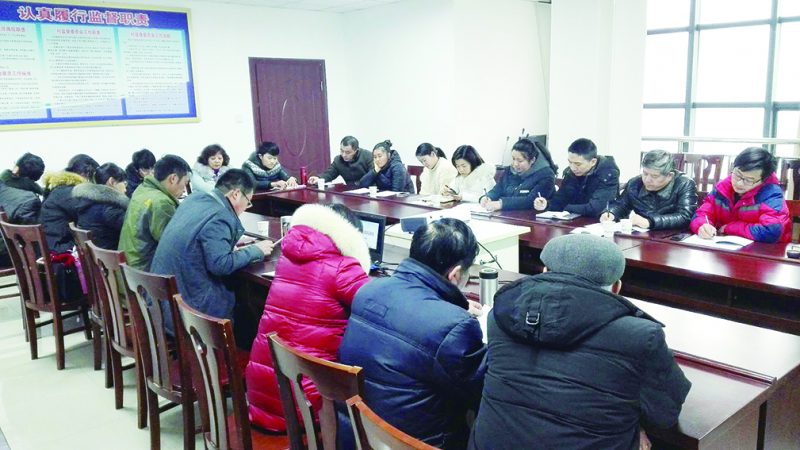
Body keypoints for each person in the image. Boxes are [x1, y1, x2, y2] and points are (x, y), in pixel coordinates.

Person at [469, 234, 691, 450]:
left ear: (544, 272)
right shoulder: (641, 336)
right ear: (616, 288)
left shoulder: (502, 314)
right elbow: (665, 415)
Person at [338, 218, 485, 449]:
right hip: (417, 443)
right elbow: (482, 391)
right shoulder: (453, 326)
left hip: (358, 435)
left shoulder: (368, 290)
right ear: (455, 275)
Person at [246, 203, 371, 432]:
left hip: (260, 393)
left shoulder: (288, 257)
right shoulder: (342, 268)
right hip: (302, 406)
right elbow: (375, 303)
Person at [151, 169, 274, 334]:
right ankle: (235, 346)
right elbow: (220, 265)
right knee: (246, 308)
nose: (246, 207)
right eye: (248, 202)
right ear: (236, 194)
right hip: (186, 310)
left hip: (162, 300)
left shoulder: (195, 199)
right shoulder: (220, 216)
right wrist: (255, 250)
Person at [691, 147, 791, 243]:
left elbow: (771, 231)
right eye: (737, 174)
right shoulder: (723, 188)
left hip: (763, 251)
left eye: (749, 180)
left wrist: (731, 228)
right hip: (725, 248)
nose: (739, 183)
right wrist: (702, 225)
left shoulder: (771, 194)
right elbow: (702, 213)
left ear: (763, 180)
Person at [118, 155, 190, 271]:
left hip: (130, 264)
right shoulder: (161, 202)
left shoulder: (142, 189)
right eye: (185, 183)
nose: (184, 189)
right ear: (173, 178)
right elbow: (174, 246)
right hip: (145, 271)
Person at [601, 150, 698, 230]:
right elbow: (621, 205)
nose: (647, 180)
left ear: (670, 175)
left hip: (673, 238)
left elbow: (685, 217)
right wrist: (611, 213)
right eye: (645, 173)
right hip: (642, 236)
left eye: (654, 176)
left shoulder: (684, 184)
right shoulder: (634, 183)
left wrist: (650, 222)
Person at [535, 138, 619, 217]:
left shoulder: (609, 175)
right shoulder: (571, 172)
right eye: (570, 162)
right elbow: (560, 198)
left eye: (578, 164)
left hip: (598, 222)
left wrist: (565, 207)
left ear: (593, 162)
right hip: (573, 220)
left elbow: (595, 209)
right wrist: (547, 204)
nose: (573, 168)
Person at [41, 154, 99, 254]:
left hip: (52, 245)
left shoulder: (60, 188)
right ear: (86, 174)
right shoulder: (72, 193)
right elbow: (90, 219)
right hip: (61, 250)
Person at [480, 138, 558, 211]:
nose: (515, 164)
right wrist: (488, 197)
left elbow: (531, 201)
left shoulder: (546, 175)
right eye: (513, 159)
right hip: (507, 215)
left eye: (520, 161)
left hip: (532, 217)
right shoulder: (509, 170)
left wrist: (501, 204)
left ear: (532, 160)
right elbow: (498, 189)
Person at [0, 153, 45, 266]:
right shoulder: (28, 200)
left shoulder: (4, 188)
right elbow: (33, 242)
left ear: (16, 169)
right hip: (8, 255)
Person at [72, 163, 129, 250]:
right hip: (113, 255)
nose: (125, 189)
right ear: (112, 182)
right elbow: (134, 228)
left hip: (97, 256)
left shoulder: (87, 201)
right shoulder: (110, 209)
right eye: (124, 183)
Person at [308, 136, 373, 185]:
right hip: (350, 192)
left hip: (368, 190)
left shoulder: (367, 156)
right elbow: (329, 174)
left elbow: (372, 175)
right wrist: (318, 178)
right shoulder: (338, 160)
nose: (344, 155)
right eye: (341, 151)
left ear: (356, 150)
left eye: (348, 152)